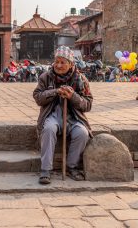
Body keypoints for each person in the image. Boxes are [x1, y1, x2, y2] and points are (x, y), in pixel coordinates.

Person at [33, 46, 93, 185]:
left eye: (62, 62)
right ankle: (45, 169)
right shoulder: (45, 77)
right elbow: (38, 98)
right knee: (48, 129)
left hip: (74, 117)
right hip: (52, 115)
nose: (58, 65)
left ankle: (72, 166)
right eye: (56, 61)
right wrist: (55, 92)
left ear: (71, 64)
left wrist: (73, 96)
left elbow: (88, 104)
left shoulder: (81, 79)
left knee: (82, 133)